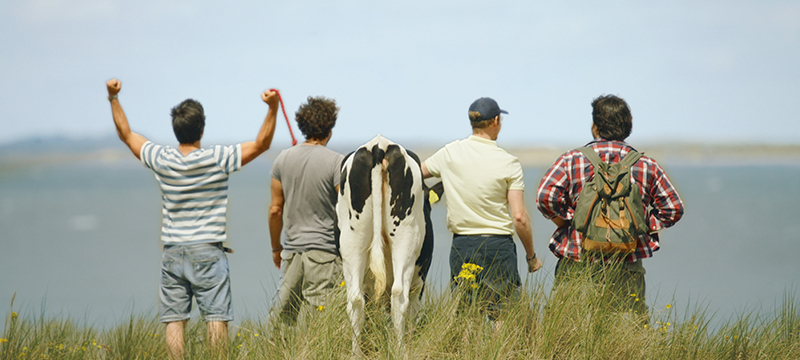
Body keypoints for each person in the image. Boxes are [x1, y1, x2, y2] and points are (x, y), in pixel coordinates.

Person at [105, 78, 279, 359]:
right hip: (208, 252)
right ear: (202, 128)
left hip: (173, 252)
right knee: (216, 318)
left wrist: (113, 98)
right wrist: (272, 108)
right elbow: (261, 144)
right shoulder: (217, 158)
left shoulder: (161, 158)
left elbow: (126, 134)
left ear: (176, 130)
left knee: (174, 320)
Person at [536, 94, 684, 314]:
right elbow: (673, 208)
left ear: (595, 127)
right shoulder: (646, 165)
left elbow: (545, 197)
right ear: (628, 128)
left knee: (566, 335)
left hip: (577, 262)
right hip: (626, 266)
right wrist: (641, 224)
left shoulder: (571, 160)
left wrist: (569, 220)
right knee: (627, 335)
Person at [421, 97, 542, 320]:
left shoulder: (449, 153)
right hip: (499, 247)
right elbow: (519, 217)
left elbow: (416, 173)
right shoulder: (509, 162)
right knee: (503, 317)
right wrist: (531, 256)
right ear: (496, 120)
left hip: (462, 245)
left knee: (467, 317)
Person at [269, 96, 344, 324]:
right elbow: (346, 209)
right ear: (330, 129)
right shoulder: (337, 162)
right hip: (326, 255)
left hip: (292, 253)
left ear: (303, 127)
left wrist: (276, 249)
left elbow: (275, 210)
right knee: (323, 324)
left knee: (282, 322)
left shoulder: (282, 159)